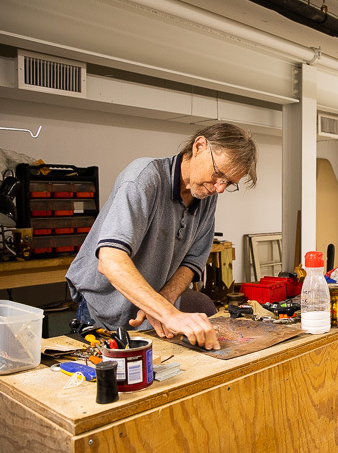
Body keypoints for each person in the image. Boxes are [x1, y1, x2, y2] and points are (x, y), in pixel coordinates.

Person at [66, 123, 257, 349]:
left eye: (229, 183)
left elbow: (192, 260)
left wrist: (164, 300)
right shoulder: (143, 178)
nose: (220, 188)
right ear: (199, 146)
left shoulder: (207, 195)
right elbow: (110, 260)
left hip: (148, 315)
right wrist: (168, 313)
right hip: (100, 313)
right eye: (218, 175)